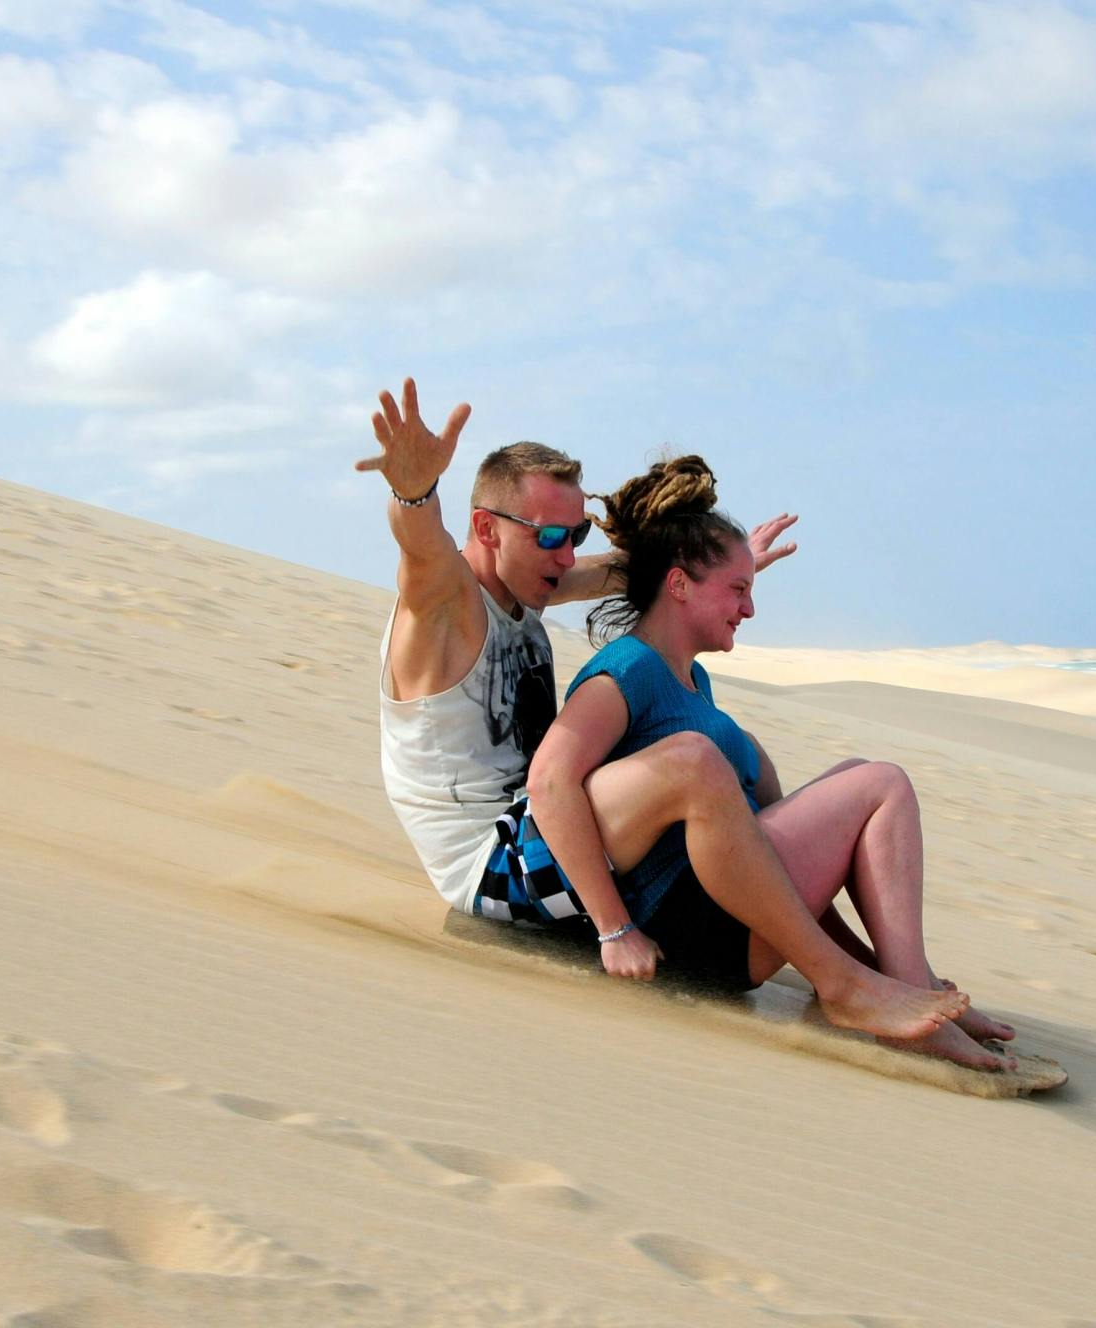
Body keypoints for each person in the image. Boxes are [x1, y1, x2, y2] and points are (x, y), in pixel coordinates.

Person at [355, 378, 965, 1041]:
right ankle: (841, 984)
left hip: (543, 830)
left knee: (742, 761)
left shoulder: (525, 587)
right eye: (553, 536)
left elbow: (634, 574)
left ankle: (888, 977)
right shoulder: (446, 606)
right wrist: (413, 494)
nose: (567, 556)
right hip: (490, 860)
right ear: (484, 528)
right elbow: (421, 552)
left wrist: (722, 573)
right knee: (689, 762)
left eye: (576, 534)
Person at [526, 455, 1017, 1071]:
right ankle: (888, 987)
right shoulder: (625, 671)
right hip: (694, 931)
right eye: (738, 590)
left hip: (732, 915)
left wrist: (848, 960)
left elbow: (756, 852)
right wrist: (615, 930)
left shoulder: (692, 680)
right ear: (678, 585)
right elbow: (548, 783)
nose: (749, 609)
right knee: (882, 783)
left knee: (855, 771)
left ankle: (892, 981)